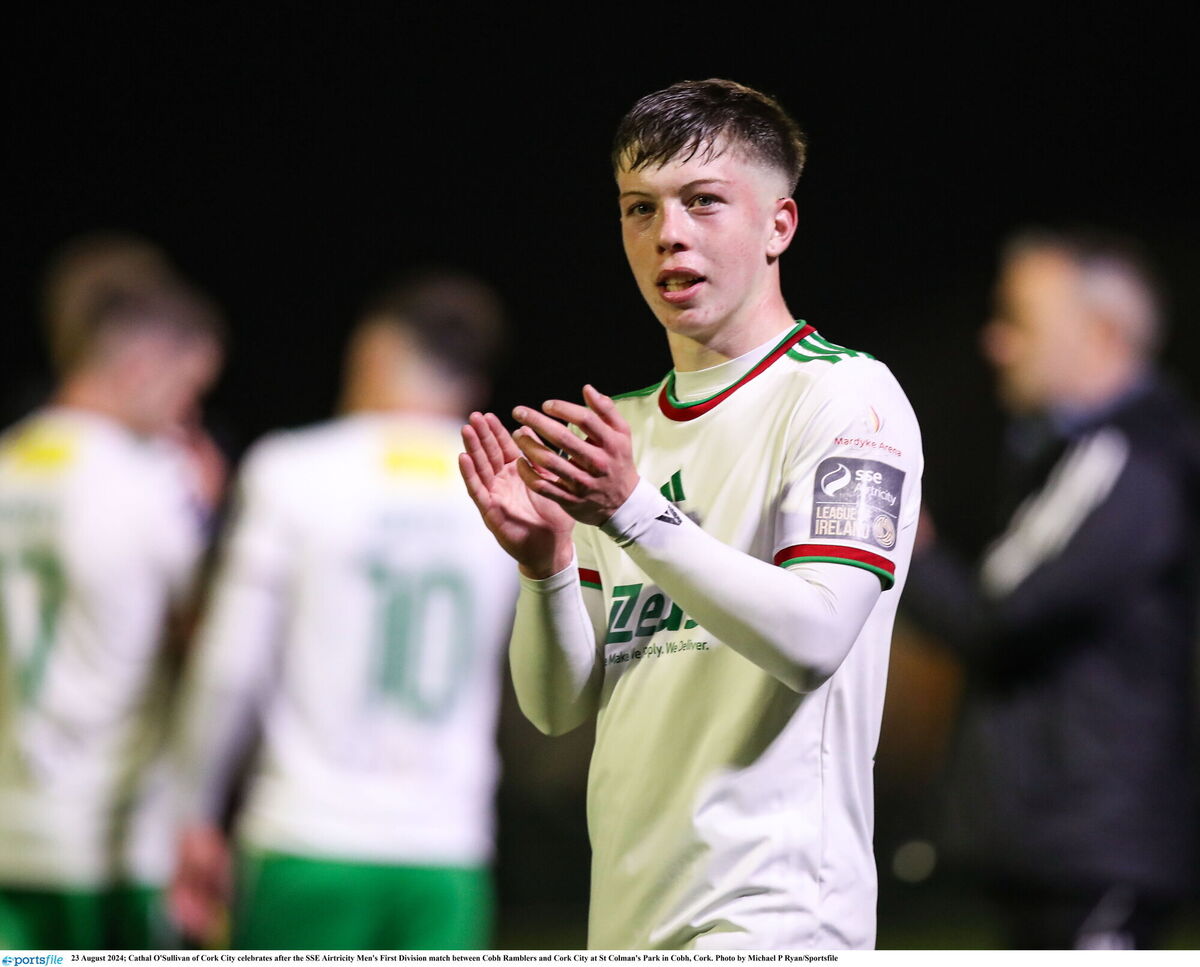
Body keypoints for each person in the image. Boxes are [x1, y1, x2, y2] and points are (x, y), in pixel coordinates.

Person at [459, 79, 923, 950]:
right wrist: (545, 564)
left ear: (779, 225)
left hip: (773, 909)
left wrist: (634, 512)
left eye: (703, 202)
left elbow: (817, 637)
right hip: (631, 908)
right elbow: (557, 706)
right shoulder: (621, 431)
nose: (668, 233)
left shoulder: (846, 397)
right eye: (641, 208)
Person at [171, 269, 517, 950]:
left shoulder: (293, 470)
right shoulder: (511, 490)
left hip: (306, 835)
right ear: (472, 384)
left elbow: (230, 665)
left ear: (373, 353)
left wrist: (190, 808)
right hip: (447, 848)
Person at [901, 228, 1200, 949]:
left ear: (1101, 332)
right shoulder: (1075, 455)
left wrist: (901, 544)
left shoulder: (1127, 458)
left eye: (1019, 322)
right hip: (1061, 851)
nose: (997, 343)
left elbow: (998, 619)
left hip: (1096, 854)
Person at [0, 238, 225, 949]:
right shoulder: (154, 483)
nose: (186, 415)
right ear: (140, 366)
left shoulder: (8, 463)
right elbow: (208, 639)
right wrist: (206, 511)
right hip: (112, 838)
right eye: (186, 390)